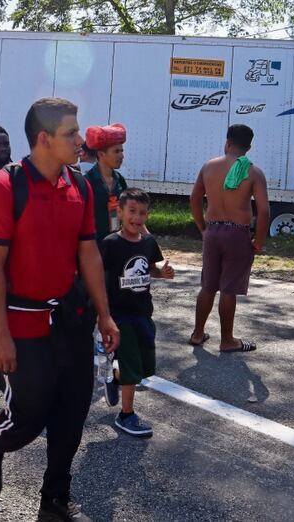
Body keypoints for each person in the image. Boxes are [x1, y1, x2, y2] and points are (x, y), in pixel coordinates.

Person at [0, 97, 119, 521]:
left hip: (71, 321)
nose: (81, 140)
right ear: (44, 139)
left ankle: (54, 500)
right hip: (22, 324)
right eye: (71, 134)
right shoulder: (5, 188)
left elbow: (89, 253)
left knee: (72, 415)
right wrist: (0, 334)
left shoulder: (80, 185)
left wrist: (105, 315)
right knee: (27, 419)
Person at [99, 188, 174, 438]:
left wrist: (161, 273)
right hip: (120, 315)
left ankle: (113, 374)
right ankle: (126, 415)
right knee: (132, 366)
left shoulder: (148, 243)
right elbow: (98, 277)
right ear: (120, 212)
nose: (137, 218)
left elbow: (150, 268)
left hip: (143, 312)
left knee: (141, 363)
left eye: (142, 213)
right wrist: (102, 314)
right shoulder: (110, 244)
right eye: (131, 211)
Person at [189, 124, 269, 353]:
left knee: (208, 285)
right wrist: (259, 242)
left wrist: (203, 228)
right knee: (228, 289)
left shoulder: (209, 166)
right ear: (249, 147)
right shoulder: (253, 172)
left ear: (227, 142)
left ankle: (197, 334)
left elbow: (194, 199)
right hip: (237, 234)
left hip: (213, 231)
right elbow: (263, 211)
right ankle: (227, 340)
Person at [83, 123, 128, 242]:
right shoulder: (87, 182)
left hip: (115, 244)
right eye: (116, 151)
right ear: (101, 154)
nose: (122, 156)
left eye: (122, 151)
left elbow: (129, 212)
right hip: (94, 246)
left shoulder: (120, 180)